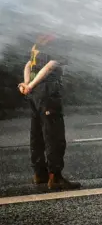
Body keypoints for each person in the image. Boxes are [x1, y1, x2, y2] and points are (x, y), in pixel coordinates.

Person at [18, 34, 80, 190]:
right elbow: (50, 65)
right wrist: (31, 85)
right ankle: (55, 177)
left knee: (37, 134)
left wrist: (27, 84)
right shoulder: (58, 41)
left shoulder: (38, 42)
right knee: (54, 136)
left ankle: (40, 174)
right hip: (47, 93)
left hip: (34, 95)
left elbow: (28, 65)